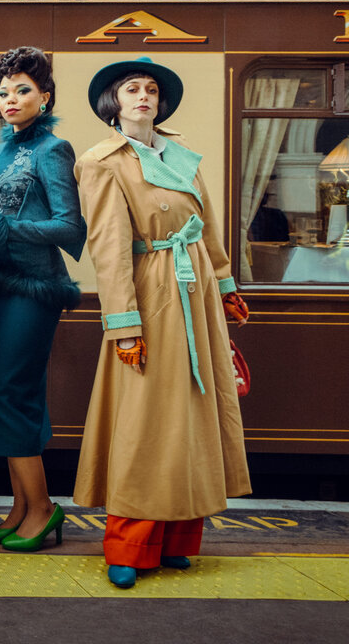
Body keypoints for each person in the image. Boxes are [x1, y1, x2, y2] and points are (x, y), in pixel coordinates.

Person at [74, 57, 252, 590]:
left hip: (196, 295)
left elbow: (205, 225)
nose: (144, 96)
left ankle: (176, 539)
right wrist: (124, 325)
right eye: (132, 88)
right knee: (147, 421)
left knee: (191, 417)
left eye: (151, 89)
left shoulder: (179, 153)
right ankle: (128, 546)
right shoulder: (101, 162)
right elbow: (108, 249)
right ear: (113, 102)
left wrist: (225, 285)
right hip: (151, 294)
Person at [0, 47, 86, 553]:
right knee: (0, 393)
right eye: (3, 92)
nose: (10, 100)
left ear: (45, 97)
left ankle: (44, 507)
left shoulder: (54, 149)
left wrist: (2, 227)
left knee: (14, 393)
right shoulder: (1, 150)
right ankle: (21, 507)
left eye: (22, 90)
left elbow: (69, 227)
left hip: (34, 289)